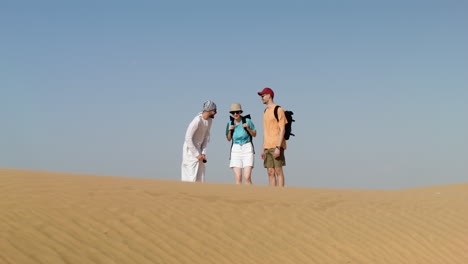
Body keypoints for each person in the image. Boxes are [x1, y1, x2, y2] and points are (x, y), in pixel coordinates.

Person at [181, 100, 217, 182]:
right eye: (215, 110)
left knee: (200, 176)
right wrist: (196, 154)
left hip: (199, 151)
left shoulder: (209, 121)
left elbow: (206, 137)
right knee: (190, 176)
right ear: (210, 110)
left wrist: (203, 153)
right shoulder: (197, 120)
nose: (216, 112)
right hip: (190, 151)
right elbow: (188, 138)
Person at [258, 88, 287, 187]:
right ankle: (272, 194)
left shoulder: (278, 109)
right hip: (267, 146)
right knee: (270, 171)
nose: (261, 98)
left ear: (269, 95)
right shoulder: (265, 111)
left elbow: (282, 129)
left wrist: (278, 147)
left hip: (276, 145)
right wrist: (263, 148)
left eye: (263, 96)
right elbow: (265, 130)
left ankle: (281, 194)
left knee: (278, 170)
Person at [226, 103, 257, 184]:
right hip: (236, 149)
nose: (235, 114)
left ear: (240, 112)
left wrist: (248, 128)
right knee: (238, 177)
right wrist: (229, 130)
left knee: (247, 177)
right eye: (233, 112)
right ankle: (238, 195)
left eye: (237, 112)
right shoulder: (230, 123)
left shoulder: (247, 121)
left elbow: (255, 134)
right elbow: (228, 139)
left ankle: (251, 195)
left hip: (247, 147)